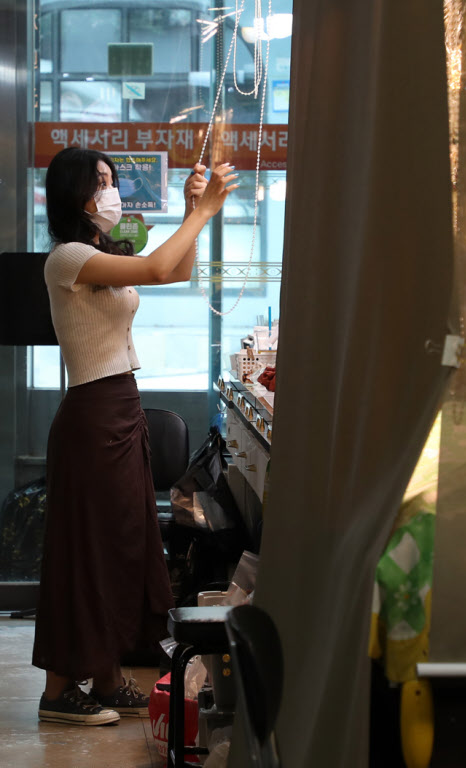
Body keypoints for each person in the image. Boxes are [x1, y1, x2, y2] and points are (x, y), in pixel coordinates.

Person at [32, 147, 238, 726]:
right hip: (92, 415)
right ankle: (59, 690)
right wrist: (200, 214)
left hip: (121, 407)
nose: (111, 190)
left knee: (123, 544)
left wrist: (199, 212)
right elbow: (153, 269)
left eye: (112, 179)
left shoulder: (101, 252)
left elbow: (173, 270)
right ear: (74, 194)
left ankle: (106, 674)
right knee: (87, 548)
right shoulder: (68, 258)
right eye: (99, 181)